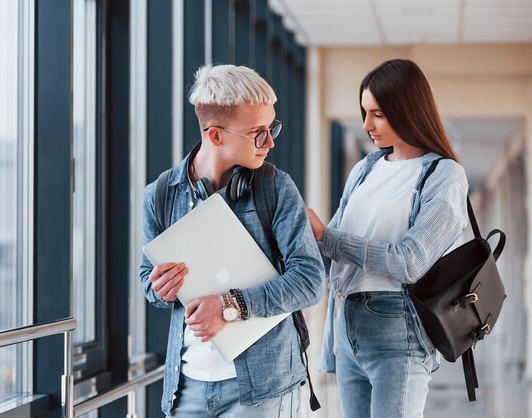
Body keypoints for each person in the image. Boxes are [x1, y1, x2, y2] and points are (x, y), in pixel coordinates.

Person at [140, 64, 324, 417]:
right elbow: (147, 284)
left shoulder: (275, 187)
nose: (269, 142)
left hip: (265, 389)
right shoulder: (160, 195)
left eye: (272, 129)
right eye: (257, 132)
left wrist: (230, 305)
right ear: (215, 136)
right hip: (186, 389)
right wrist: (159, 287)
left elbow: (311, 281)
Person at [307, 59, 469, 418]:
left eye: (377, 114)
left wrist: (326, 236)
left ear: (407, 110)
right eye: (365, 113)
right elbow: (331, 245)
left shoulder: (445, 176)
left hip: (397, 329)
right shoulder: (364, 169)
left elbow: (409, 261)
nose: (367, 126)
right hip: (345, 322)